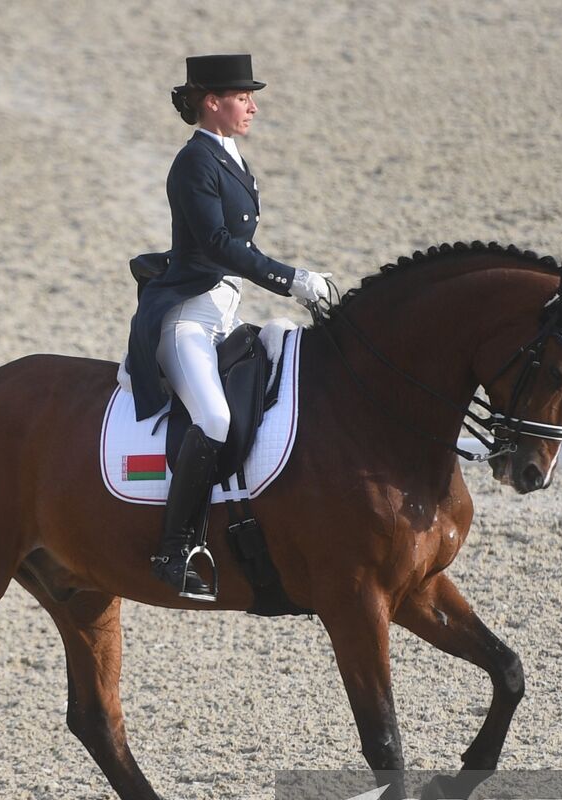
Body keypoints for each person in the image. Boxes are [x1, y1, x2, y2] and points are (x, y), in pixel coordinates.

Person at [124, 53, 330, 601]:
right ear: (211, 102)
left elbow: (242, 249)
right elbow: (218, 245)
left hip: (224, 317)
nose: (253, 106)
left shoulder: (232, 158)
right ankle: (174, 548)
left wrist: (301, 290)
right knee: (213, 417)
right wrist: (292, 279)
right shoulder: (194, 162)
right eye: (243, 97)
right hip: (187, 320)